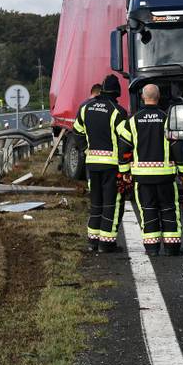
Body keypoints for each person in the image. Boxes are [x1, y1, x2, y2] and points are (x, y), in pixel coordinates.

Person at [118, 84, 183, 255]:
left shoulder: (132, 121)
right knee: (169, 210)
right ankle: (171, 248)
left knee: (148, 211)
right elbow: (177, 147)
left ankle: (152, 248)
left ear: (142, 97)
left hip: (142, 178)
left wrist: (124, 171)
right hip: (166, 177)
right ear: (159, 96)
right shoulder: (167, 118)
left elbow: (124, 147)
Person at [73, 75, 130, 252]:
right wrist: (125, 167)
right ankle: (107, 243)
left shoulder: (85, 107)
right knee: (112, 204)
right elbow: (126, 140)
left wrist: (85, 150)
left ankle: (93, 241)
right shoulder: (117, 111)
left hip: (92, 165)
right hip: (111, 167)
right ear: (117, 92)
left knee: (96, 202)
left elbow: (77, 131)